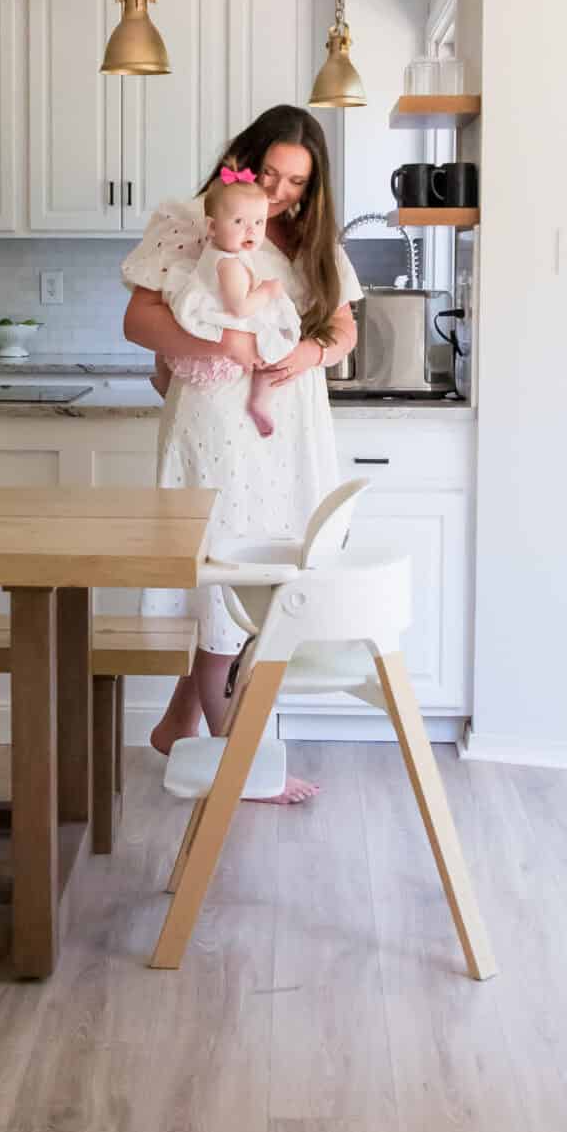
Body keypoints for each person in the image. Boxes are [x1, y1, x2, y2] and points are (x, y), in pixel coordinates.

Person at [121, 104, 361, 800]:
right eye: (270, 173)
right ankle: (240, 760)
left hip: (292, 421)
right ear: (242, 160)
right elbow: (139, 321)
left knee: (261, 579)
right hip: (217, 419)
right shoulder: (196, 219)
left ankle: (177, 724)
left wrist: (312, 351)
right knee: (224, 573)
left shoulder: (308, 239)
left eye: (296, 183)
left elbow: (342, 328)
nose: (281, 193)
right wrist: (226, 346)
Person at [158, 163, 299, 438]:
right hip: (227, 315)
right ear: (212, 226)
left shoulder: (223, 252)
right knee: (271, 348)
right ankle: (259, 399)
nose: (251, 231)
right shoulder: (228, 264)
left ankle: (162, 378)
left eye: (258, 222)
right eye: (239, 222)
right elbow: (240, 307)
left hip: (220, 308)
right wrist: (269, 291)